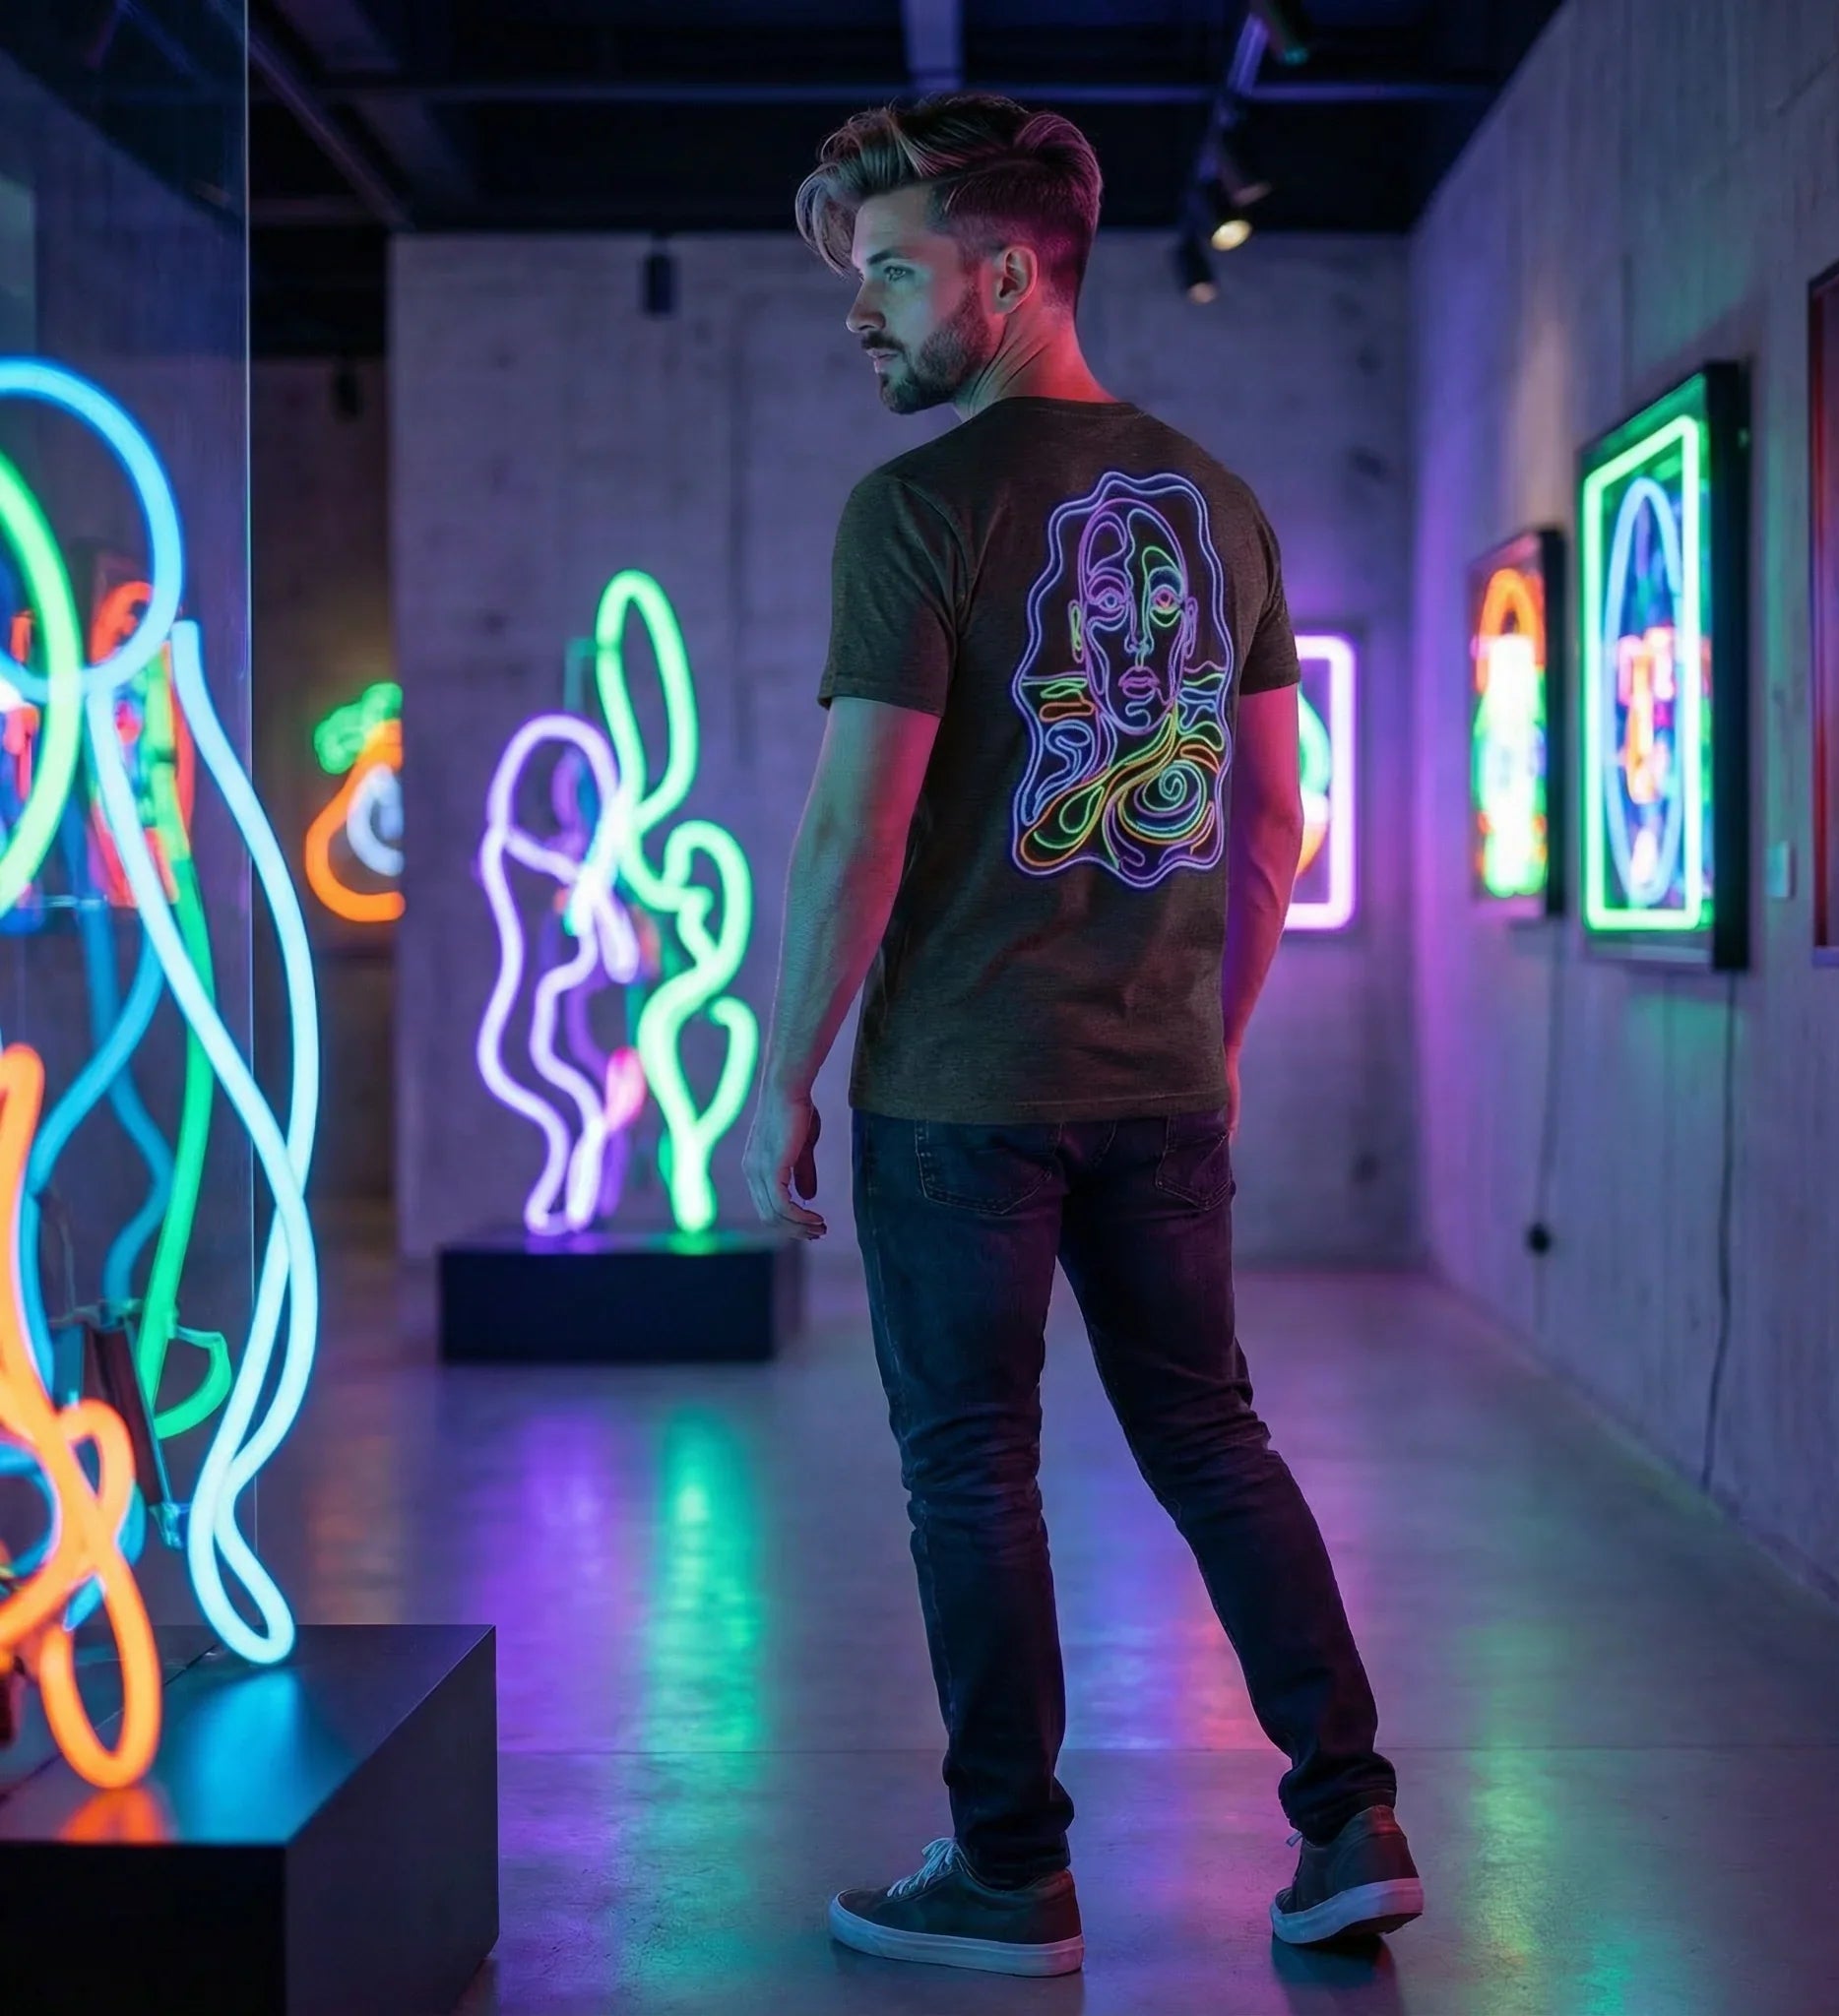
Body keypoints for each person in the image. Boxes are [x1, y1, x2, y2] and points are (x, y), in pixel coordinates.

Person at [741, 91, 1421, 1980]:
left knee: (972, 1467)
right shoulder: (1221, 501)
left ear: (1009, 270)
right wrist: (1206, 1038)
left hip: (960, 1098)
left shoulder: (920, 511)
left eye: (889, 273)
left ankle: (1008, 1871)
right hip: (1157, 1091)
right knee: (1211, 1440)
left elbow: (853, 826)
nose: (859, 312)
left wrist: (782, 1066)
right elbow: (1281, 820)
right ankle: (1350, 1815)